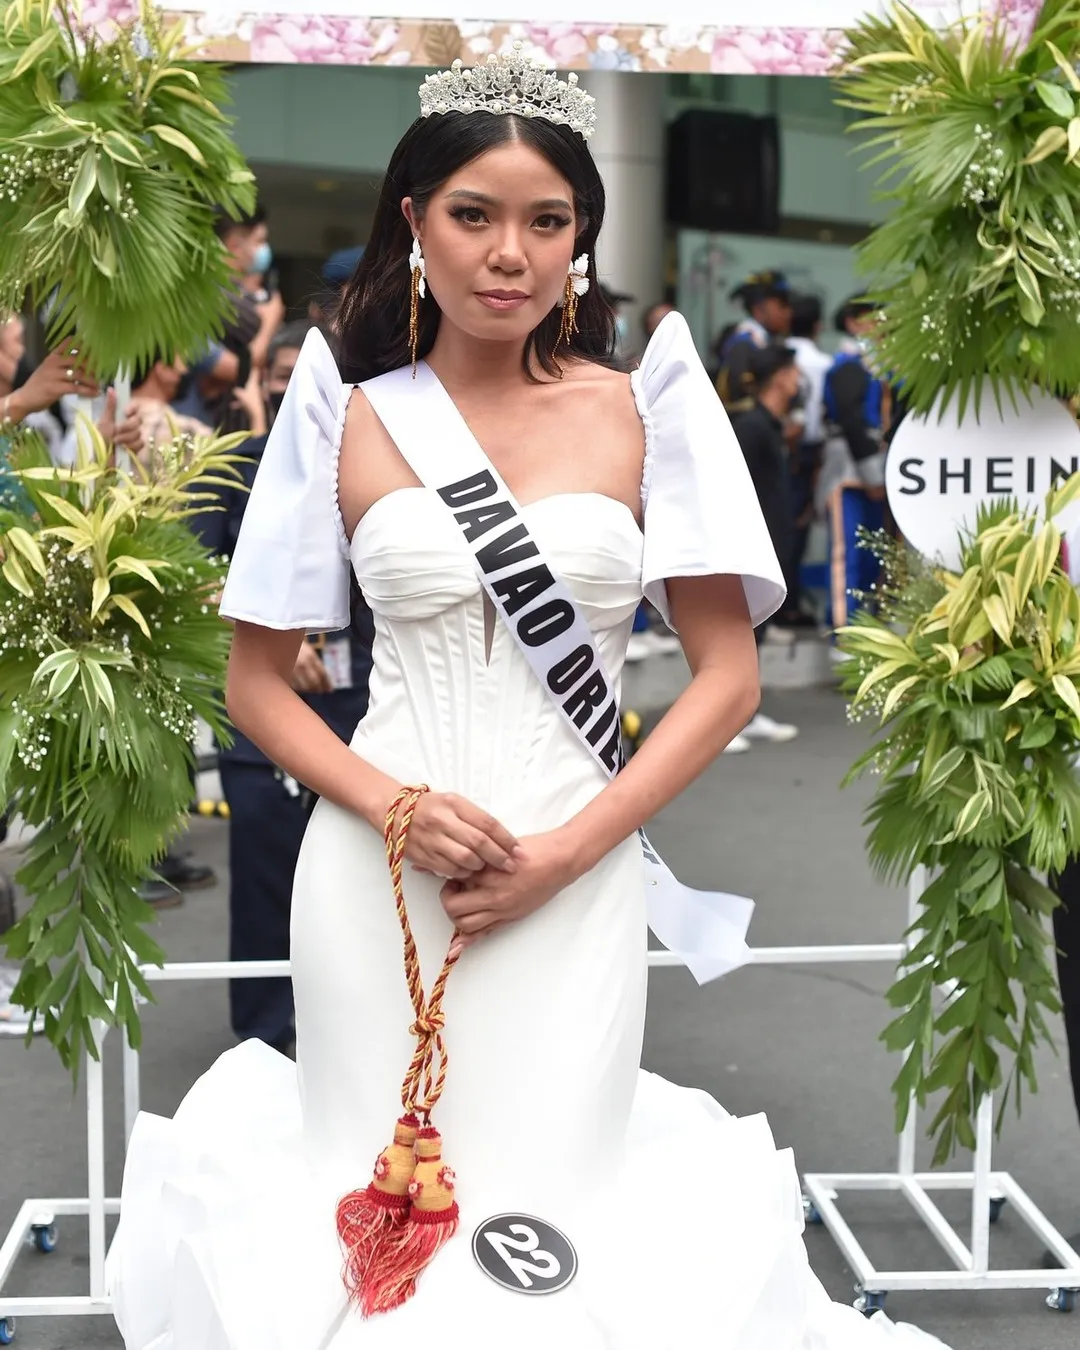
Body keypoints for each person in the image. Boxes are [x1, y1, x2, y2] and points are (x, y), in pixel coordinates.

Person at [107, 49, 950, 1350]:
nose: (511, 252)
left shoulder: (649, 404)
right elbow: (256, 689)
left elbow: (725, 677)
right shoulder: (343, 406)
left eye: (547, 222)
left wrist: (567, 851)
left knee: (552, 1218)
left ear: (582, 241)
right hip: (375, 875)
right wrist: (396, 808)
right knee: (379, 1205)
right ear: (415, 220)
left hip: (576, 870)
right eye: (475, 215)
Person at [190, 320, 376, 1058]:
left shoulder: (388, 458)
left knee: (363, 891)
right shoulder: (240, 464)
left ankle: (358, 1041)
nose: (295, 386)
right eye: (284, 371)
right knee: (267, 882)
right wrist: (274, 625)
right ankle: (265, 1043)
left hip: (368, 707)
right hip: (266, 713)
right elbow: (194, 571)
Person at [729, 344, 801, 747]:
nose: (799, 380)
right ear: (779, 376)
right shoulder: (751, 427)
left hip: (773, 539)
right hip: (750, 544)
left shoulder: (771, 425)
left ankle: (743, 716)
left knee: (756, 632)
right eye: (793, 372)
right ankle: (723, 724)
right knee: (738, 635)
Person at [818, 296, 890, 632]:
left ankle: (869, 630)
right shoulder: (847, 364)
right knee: (847, 555)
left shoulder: (881, 366)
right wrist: (874, 473)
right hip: (849, 471)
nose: (880, 324)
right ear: (852, 322)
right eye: (871, 317)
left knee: (874, 555)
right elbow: (850, 420)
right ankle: (845, 635)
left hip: (880, 472)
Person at [783, 294, 833, 629]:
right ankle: (792, 601)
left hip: (778, 442)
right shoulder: (824, 363)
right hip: (807, 449)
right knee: (797, 525)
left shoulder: (780, 354)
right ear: (818, 326)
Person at [716, 269, 793, 412]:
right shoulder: (743, 344)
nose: (788, 313)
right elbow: (740, 401)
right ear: (760, 310)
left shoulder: (771, 342)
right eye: (782, 305)